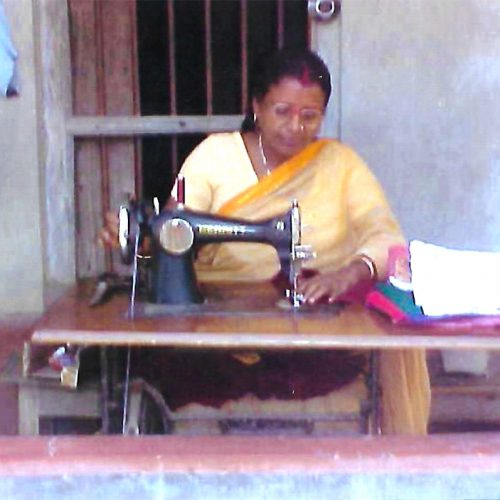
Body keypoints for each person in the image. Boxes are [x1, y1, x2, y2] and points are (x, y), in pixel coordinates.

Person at [101, 48, 430, 435]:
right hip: (220, 325)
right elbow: (173, 230)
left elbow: (385, 234)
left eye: (310, 116)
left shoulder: (341, 164)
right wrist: (137, 237)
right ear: (257, 105)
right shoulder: (215, 156)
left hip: (314, 328)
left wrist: (350, 272)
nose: (295, 126)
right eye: (282, 112)